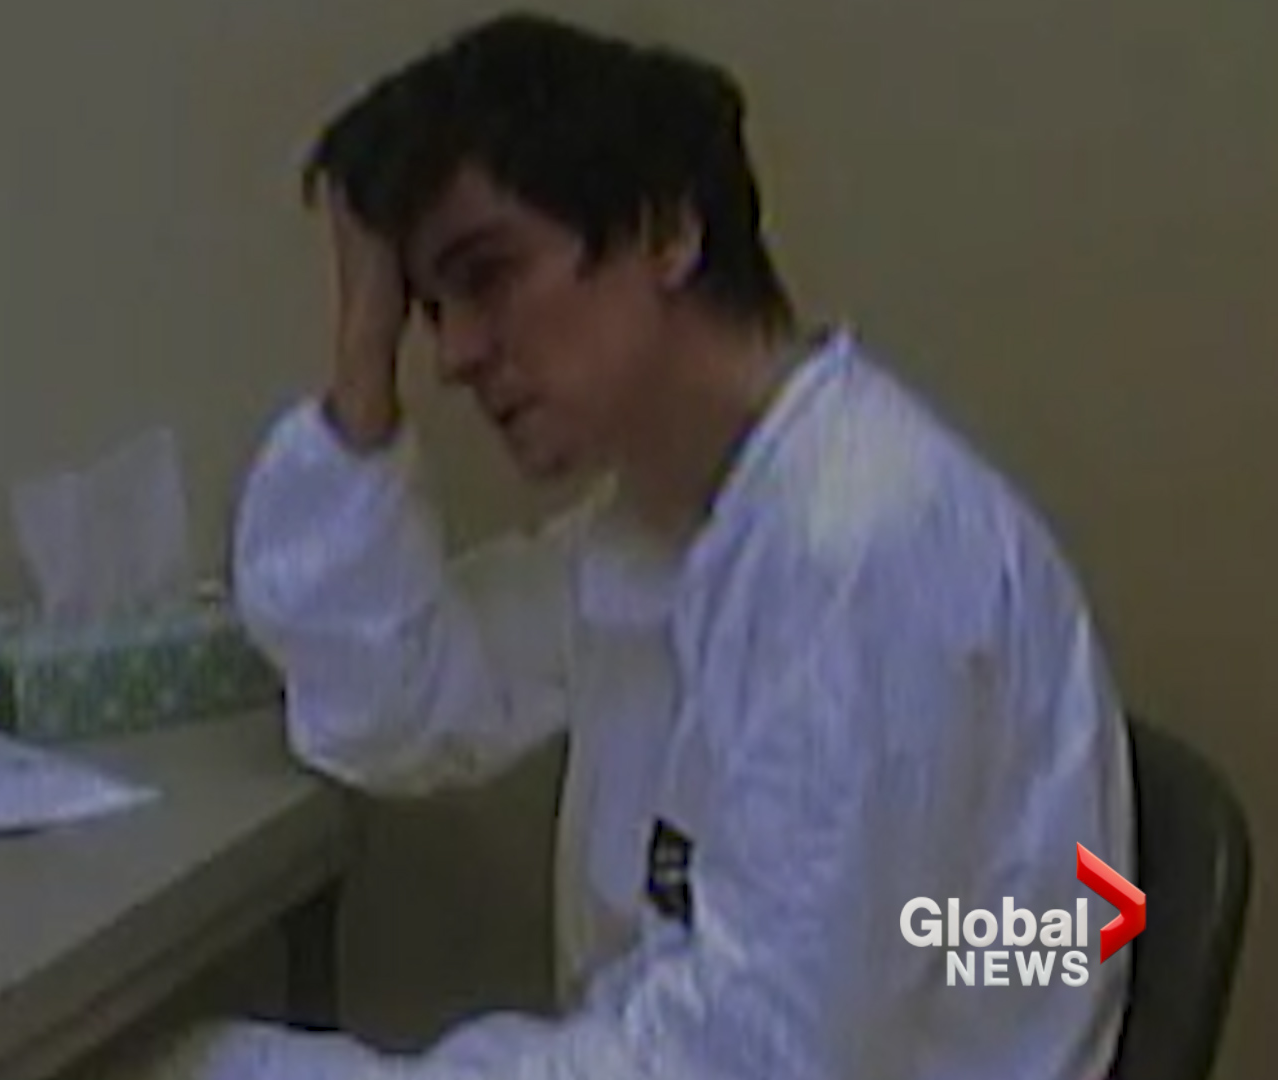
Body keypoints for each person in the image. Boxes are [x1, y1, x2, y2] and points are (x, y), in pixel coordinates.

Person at [125, 11, 1135, 1080]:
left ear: (667, 232)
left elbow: (757, 1056)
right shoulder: (671, 519)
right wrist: (362, 354)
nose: (455, 354)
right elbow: (392, 705)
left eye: (487, 276)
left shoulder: (862, 545)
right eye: (429, 306)